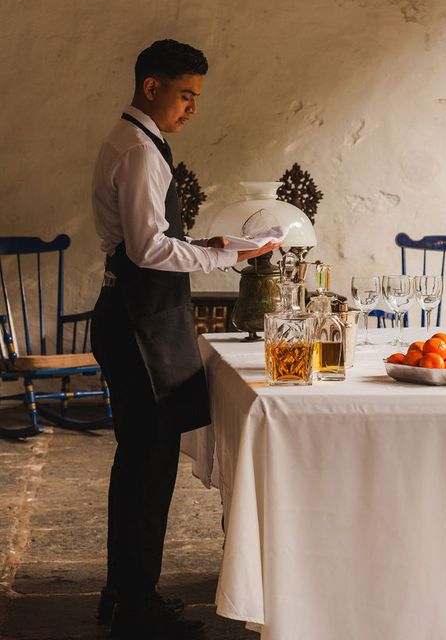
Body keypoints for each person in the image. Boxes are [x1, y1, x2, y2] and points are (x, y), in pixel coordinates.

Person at [91, 39, 278, 639]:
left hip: (141, 313)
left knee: (144, 461)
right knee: (147, 464)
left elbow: (148, 239)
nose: (193, 108)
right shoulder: (141, 153)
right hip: (140, 320)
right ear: (152, 87)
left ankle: (124, 594)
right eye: (185, 95)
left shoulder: (132, 142)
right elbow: (149, 249)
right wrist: (223, 258)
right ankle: (134, 606)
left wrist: (217, 246)